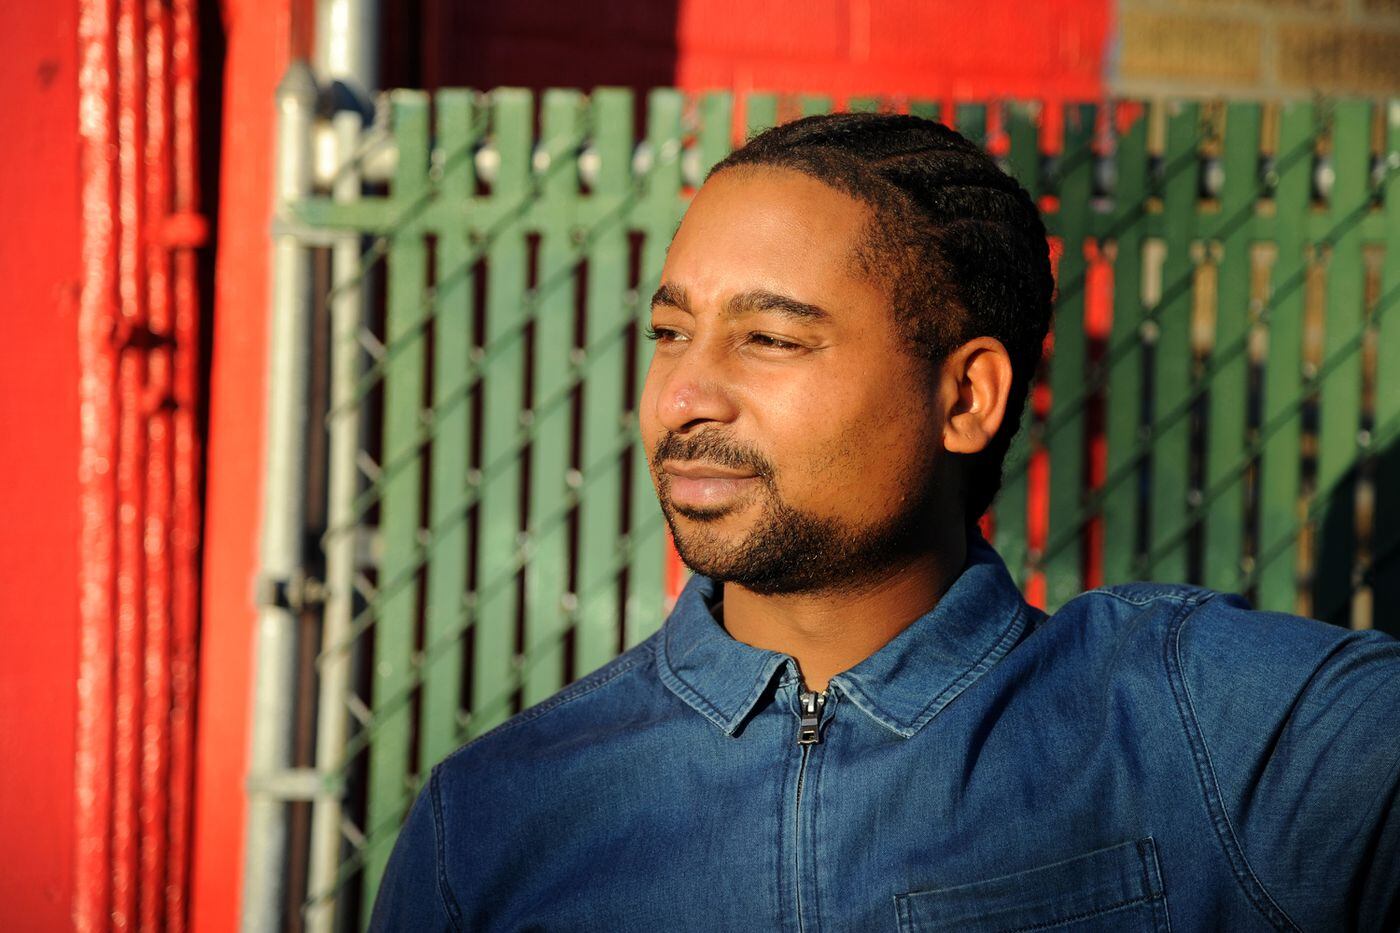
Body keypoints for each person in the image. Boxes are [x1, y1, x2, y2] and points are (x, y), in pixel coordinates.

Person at [370, 112, 1399, 931]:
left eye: (768, 337)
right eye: (668, 332)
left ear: (964, 400)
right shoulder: (499, 817)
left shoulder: (1194, 727)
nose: (683, 395)